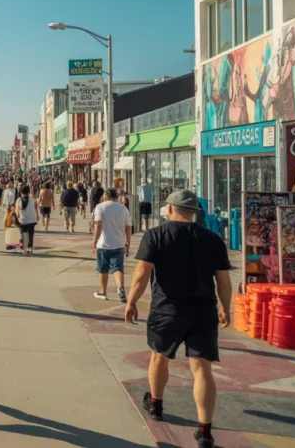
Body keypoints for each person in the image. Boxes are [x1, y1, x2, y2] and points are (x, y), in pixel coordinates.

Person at [124, 190, 232, 448]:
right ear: (194, 212)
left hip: (167, 309)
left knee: (159, 356)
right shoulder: (213, 239)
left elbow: (142, 273)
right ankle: (204, 430)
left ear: (170, 209)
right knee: (202, 367)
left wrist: (131, 301)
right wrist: (225, 308)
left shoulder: (156, 235)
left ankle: (156, 404)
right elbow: (224, 280)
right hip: (204, 309)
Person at [92, 188, 132, 302]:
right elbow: (128, 226)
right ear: (116, 197)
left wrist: (94, 241)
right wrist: (128, 241)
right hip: (119, 243)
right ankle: (120, 287)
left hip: (104, 244)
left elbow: (98, 225)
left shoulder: (100, 207)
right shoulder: (123, 209)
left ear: (106, 196)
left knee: (103, 268)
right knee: (117, 267)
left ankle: (103, 291)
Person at [14, 185, 38, 254]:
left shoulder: (19, 200)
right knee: (31, 234)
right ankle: (30, 248)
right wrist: (37, 216)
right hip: (32, 220)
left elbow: (17, 212)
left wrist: (17, 218)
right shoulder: (32, 199)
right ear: (28, 191)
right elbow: (35, 207)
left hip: (23, 220)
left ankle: (23, 245)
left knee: (23, 233)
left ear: (21, 192)